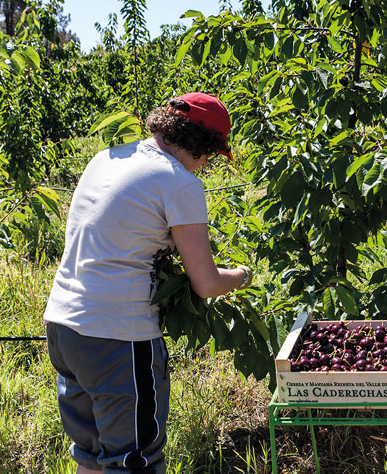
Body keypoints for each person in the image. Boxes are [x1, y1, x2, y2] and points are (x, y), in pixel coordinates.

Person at [43, 92, 252, 474]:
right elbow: (205, 282)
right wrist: (242, 276)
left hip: (62, 327)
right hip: (116, 340)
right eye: (210, 155)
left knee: (90, 454)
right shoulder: (179, 182)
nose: (205, 165)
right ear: (200, 144)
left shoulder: (106, 158)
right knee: (133, 461)